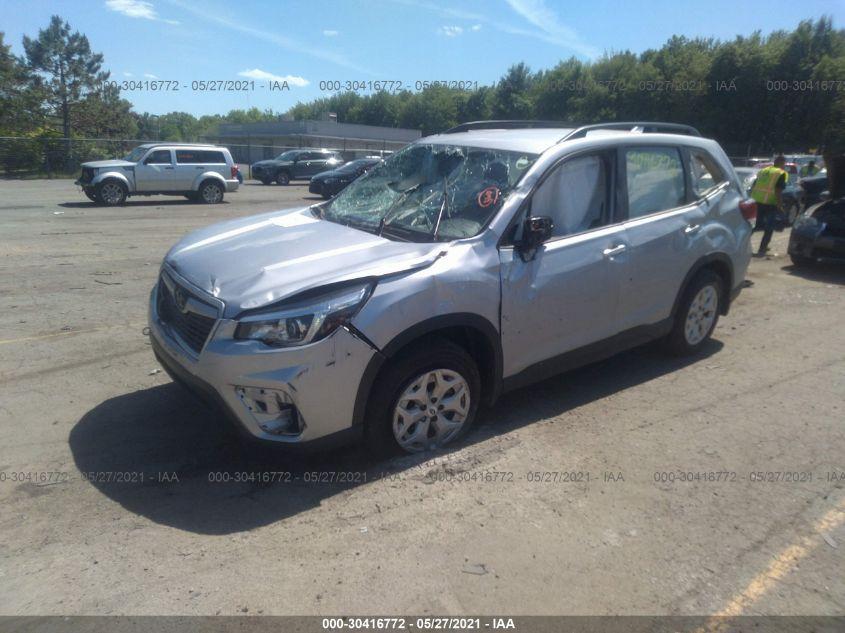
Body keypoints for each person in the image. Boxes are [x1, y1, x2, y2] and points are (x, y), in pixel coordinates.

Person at [750, 155, 788, 256]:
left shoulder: (764, 170)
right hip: (770, 203)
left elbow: (754, 184)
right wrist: (780, 205)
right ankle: (762, 249)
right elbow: (778, 190)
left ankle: (741, 245)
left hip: (757, 201)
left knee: (754, 225)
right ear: (781, 163)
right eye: (784, 163)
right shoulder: (780, 173)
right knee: (769, 227)